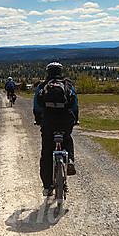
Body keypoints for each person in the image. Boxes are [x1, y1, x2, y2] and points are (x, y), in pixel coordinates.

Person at [33, 62, 78, 196]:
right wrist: (75, 119)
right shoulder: (68, 85)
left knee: (46, 153)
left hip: (48, 123)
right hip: (65, 121)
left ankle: (48, 187)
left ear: (48, 72)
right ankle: (69, 160)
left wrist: (39, 120)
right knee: (67, 139)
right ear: (61, 72)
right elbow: (74, 105)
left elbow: (36, 107)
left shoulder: (42, 86)